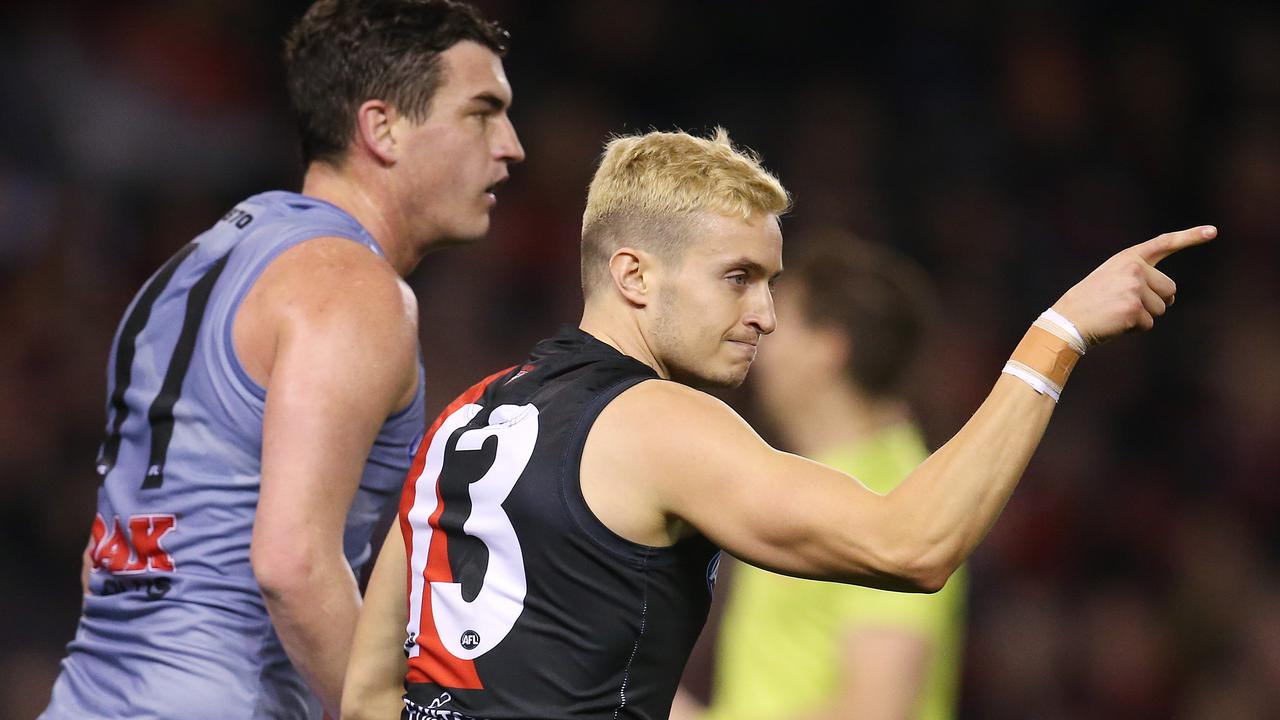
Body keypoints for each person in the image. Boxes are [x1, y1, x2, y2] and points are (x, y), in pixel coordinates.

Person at [340, 128, 1212, 720]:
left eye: (771, 280)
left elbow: (371, 690)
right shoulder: (663, 424)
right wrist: (1055, 335)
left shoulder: (464, 413)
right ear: (635, 275)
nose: (765, 313)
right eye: (737, 277)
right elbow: (914, 544)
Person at [41, 1, 524, 718]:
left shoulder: (186, 270)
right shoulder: (354, 291)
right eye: (482, 112)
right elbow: (293, 566)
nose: (512, 145)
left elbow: (107, 557)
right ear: (382, 128)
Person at [678, 238, 965, 720]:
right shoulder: (806, 477)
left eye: (778, 319)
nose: (757, 329)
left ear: (828, 350)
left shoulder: (894, 496)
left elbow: (879, 708)